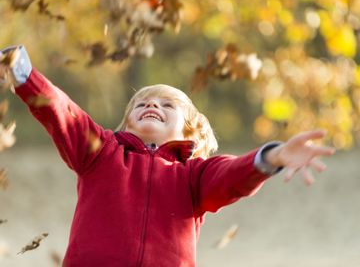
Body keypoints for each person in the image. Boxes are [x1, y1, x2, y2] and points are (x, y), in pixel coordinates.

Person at [0, 45, 335, 266]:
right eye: (141, 103)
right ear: (127, 121)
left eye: (166, 104)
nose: (151, 105)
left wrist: (272, 156)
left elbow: (232, 175)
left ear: (190, 130)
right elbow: (63, 112)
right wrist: (25, 74)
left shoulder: (195, 177)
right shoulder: (101, 153)